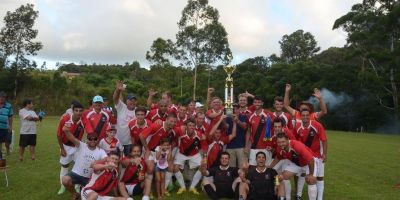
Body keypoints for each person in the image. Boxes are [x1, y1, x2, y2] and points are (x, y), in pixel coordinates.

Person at [139, 113, 178, 200]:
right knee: (150, 168)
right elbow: (141, 136)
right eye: (171, 121)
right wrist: (147, 149)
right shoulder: (157, 125)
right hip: (150, 150)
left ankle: (163, 190)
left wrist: (169, 149)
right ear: (166, 119)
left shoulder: (173, 130)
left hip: (162, 151)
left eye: (175, 122)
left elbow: (176, 138)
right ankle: (148, 192)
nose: (173, 123)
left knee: (171, 167)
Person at [269, 133, 318, 200]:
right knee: (279, 177)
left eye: (283, 142)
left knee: (311, 180)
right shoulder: (279, 148)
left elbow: (310, 160)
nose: (281, 144)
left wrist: (311, 174)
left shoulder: (296, 145)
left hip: (309, 163)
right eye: (279, 142)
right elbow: (278, 157)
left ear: (287, 140)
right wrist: (269, 167)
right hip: (297, 164)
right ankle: (285, 197)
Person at [62, 130, 107, 199]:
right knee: (65, 180)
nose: (93, 141)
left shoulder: (101, 151)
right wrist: (66, 131)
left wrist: (97, 162)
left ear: (97, 140)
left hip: (89, 178)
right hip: (76, 173)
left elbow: (106, 159)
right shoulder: (82, 145)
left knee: (94, 195)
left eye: (95, 139)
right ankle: (75, 194)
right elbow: (72, 138)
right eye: (90, 139)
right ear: (87, 140)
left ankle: (83, 189)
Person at [294, 109, 327, 200]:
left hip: (316, 157)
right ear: (300, 117)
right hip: (302, 156)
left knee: (316, 178)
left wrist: (324, 153)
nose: (305, 117)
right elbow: (294, 141)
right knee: (301, 175)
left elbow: (324, 140)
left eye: (307, 115)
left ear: (310, 116)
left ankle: (319, 198)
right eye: (303, 115)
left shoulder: (317, 125)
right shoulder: (297, 127)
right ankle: (298, 195)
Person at [56, 102, 86, 195]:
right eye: (76, 110)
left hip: (77, 147)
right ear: (72, 110)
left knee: (78, 166)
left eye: (80, 111)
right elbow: (58, 135)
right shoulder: (65, 119)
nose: (78, 113)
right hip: (66, 146)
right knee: (65, 165)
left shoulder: (84, 120)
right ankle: (63, 185)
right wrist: (62, 149)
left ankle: (77, 186)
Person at [173, 118, 207, 195]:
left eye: (193, 125)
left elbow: (204, 146)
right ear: (186, 126)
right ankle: (182, 187)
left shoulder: (199, 135)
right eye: (189, 125)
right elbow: (172, 127)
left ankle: (192, 187)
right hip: (181, 153)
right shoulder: (181, 131)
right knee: (175, 168)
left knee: (203, 167)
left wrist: (204, 156)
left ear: (195, 126)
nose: (191, 127)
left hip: (194, 154)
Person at [245, 96, 274, 166]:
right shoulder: (250, 116)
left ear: (262, 103)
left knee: (267, 168)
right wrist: (246, 146)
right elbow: (248, 131)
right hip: (254, 146)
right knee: (252, 167)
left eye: (259, 102)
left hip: (267, 146)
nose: (257, 104)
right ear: (253, 103)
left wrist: (273, 144)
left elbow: (275, 128)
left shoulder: (269, 114)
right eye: (255, 102)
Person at [113, 80, 137, 156]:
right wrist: (118, 90)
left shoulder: (138, 111)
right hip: (118, 141)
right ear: (126, 101)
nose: (132, 102)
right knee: (116, 161)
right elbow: (115, 98)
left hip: (130, 143)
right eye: (130, 100)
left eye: (134, 100)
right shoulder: (121, 107)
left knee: (128, 163)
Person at [226, 103, 248, 168]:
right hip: (229, 146)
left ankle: (243, 178)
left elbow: (244, 127)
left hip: (241, 146)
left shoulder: (243, 116)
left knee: (243, 167)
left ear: (239, 109)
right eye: (233, 109)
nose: (235, 111)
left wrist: (237, 121)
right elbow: (225, 128)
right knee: (231, 168)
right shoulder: (227, 117)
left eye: (236, 109)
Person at [0, 91, 13, 158]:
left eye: (3, 97)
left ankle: (7, 149)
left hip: (6, 127)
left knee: (7, 142)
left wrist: (10, 126)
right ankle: (0, 154)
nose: (2, 98)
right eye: (1, 97)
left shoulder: (9, 106)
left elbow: (10, 116)